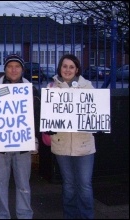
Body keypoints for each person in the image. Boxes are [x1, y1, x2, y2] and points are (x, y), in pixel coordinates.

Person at [0, 54, 40, 219]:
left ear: (22, 69)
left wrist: (34, 138)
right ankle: (1, 216)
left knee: (23, 185)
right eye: (10, 66)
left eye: (17, 66)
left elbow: (37, 115)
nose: (13, 70)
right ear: (5, 69)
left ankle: (25, 215)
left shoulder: (31, 90)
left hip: (23, 147)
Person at [45, 54, 96, 219]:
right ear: (60, 68)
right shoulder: (51, 88)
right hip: (62, 144)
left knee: (85, 186)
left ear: (77, 69)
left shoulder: (88, 87)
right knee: (68, 186)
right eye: (64, 66)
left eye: (71, 67)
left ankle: (87, 216)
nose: (67, 70)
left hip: (84, 145)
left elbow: (95, 113)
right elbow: (46, 116)